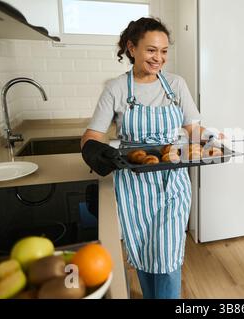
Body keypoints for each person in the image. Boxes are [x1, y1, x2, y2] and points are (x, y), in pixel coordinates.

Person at [80, 17, 218, 299]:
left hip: (173, 179)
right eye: (152, 50)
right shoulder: (117, 88)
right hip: (134, 183)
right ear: (132, 48)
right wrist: (97, 152)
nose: (159, 58)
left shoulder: (176, 84)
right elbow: (91, 135)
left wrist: (212, 139)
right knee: (143, 250)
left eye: (164, 51)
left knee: (167, 255)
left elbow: (193, 129)